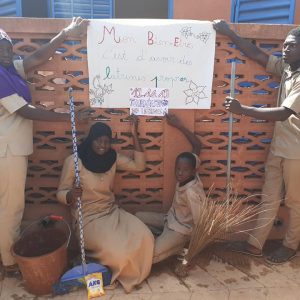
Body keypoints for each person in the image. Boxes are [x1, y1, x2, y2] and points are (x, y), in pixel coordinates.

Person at [0, 17, 94, 278]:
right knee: (11, 207)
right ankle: (9, 262)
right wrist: (70, 118)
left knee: (9, 204)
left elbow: (36, 59)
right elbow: (24, 111)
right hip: (6, 151)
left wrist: (64, 34)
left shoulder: (8, 70)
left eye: (8, 46)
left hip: (12, 149)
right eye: (0, 48)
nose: (6, 52)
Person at [213, 20, 300, 264]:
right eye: (284, 45)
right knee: (269, 196)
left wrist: (242, 110)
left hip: (296, 151)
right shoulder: (287, 69)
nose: (285, 50)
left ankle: (291, 245)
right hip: (279, 146)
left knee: (295, 201)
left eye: (291, 46)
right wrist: (229, 33)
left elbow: (284, 113)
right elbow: (258, 56)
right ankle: (255, 244)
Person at [56, 118, 154, 293]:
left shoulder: (112, 158)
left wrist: (134, 135)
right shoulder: (74, 162)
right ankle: (112, 270)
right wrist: (70, 195)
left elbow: (139, 166)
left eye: (107, 141)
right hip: (87, 218)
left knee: (145, 236)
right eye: (98, 140)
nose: (103, 145)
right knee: (119, 253)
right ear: (91, 140)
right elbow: (60, 192)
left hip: (111, 212)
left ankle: (129, 268)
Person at [136, 114, 206, 264]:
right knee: (137, 217)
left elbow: (200, 220)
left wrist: (195, 245)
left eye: (185, 170)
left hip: (180, 231)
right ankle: (163, 240)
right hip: (169, 219)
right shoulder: (191, 168)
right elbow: (197, 145)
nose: (180, 173)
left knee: (150, 257)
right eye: (178, 168)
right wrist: (178, 125)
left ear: (193, 170)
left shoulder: (191, 192)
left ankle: (177, 246)